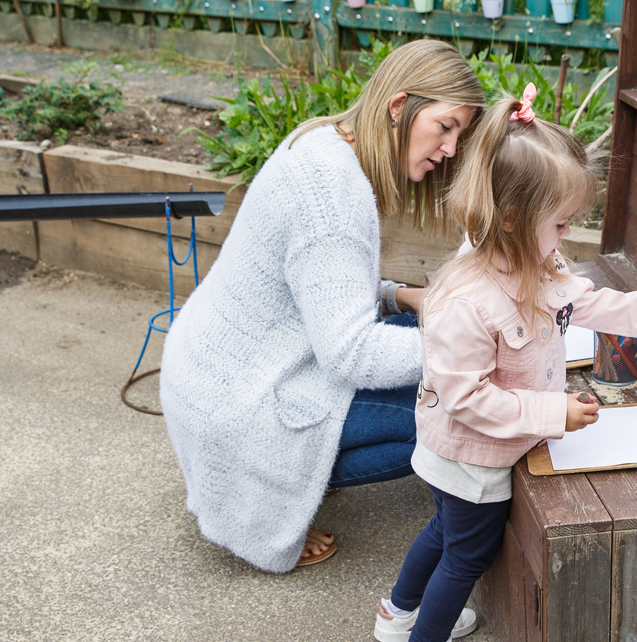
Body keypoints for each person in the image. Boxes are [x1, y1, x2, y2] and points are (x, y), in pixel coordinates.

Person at [370, 85, 637, 642]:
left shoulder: (536, 268)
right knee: (467, 554)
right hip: (470, 456)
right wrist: (552, 411)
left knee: (442, 533)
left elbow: (604, 304)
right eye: (559, 223)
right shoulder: (467, 300)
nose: (566, 237)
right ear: (512, 219)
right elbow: (468, 399)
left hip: (460, 455)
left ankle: (400, 613)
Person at [158, 40, 486, 574]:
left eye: (460, 133)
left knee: (420, 341)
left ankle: (309, 466)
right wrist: (476, 342)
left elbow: (318, 287)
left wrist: (399, 296)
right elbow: (351, 356)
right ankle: (279, 484)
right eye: (446, 126)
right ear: (399, 106)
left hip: (206, 373)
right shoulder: (334, 199)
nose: (451, 148)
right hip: (238, 411)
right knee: (442, 416)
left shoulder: (321, 140)